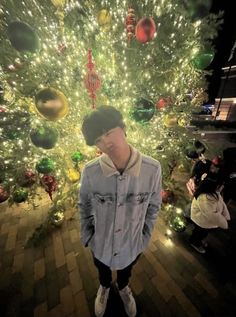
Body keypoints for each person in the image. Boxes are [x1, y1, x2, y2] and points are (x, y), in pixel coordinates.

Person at [78, 105, 162, 317]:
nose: (106, 142)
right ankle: (105, 287)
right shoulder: (90, 171)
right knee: (103, 271)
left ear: (123, 128)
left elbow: (153, 206)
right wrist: (88, 236)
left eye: (109, 133)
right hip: (101, 243)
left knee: (126, 271)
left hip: (132, 243)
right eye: (98, 140)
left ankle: (123, 288)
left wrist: (144, 237)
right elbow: (85, 204)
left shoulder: (152, 169)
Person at [189, 175, 230, 254]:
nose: (223, 186)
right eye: (222, 185)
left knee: (202, 232)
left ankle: (199, 239)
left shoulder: (214, 192)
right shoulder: (205, 198)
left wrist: (225, 215)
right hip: (201, 221)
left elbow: (221, 202)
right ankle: (195, 243)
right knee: (200, 233)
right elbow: (212, 215)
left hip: (206, 220)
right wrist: (224, 223)